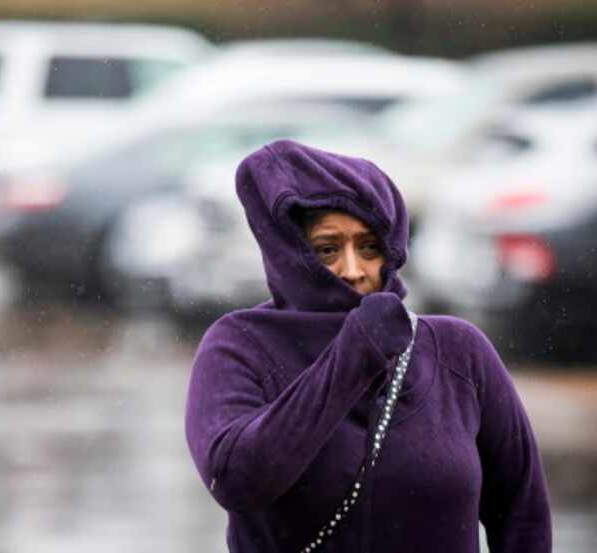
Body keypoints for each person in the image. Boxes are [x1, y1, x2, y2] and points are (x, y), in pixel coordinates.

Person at [184, 140, 552, 552]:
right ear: (290, 253)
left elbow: (521, 508)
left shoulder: (458, 350)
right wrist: (354, 355)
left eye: (370, 247)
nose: (355, 270)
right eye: (327, 250)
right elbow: (239, 480)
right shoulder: (239, 345)